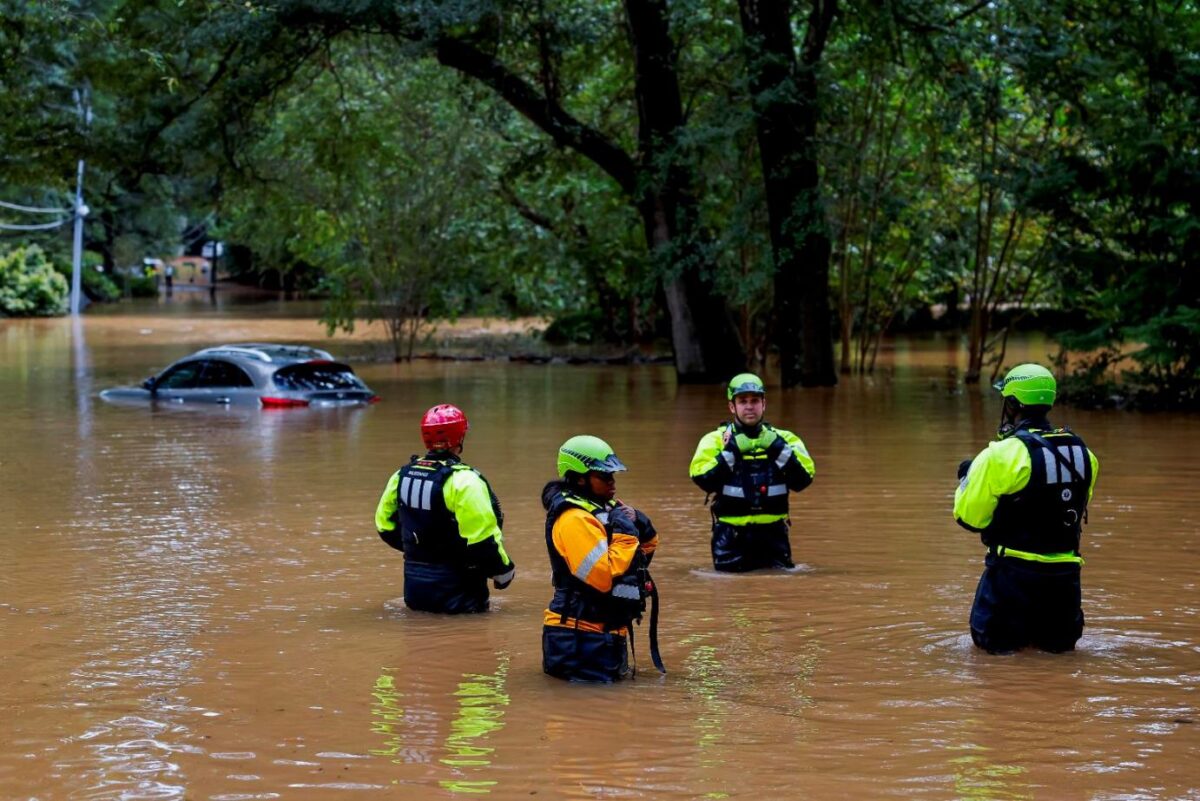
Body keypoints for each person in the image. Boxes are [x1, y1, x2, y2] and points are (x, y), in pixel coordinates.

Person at [954, 363, 1100, 653]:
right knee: (1058, 666)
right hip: (1064, 587)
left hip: (1011, 583)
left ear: (1011, 403)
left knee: (996, 670)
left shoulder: (999, 455)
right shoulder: (1086, 455)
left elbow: (969, 517)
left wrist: (967, 478)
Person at [374, 404, 515, 614]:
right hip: (459, 595)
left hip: (414, 590)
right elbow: (482, 541)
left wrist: (420, 551)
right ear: (460, 437)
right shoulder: (465, 481)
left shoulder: (401, 476)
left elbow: (384, 526)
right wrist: (504, 572)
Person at [541, 435, 660, 682]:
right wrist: (626, 533)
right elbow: (602, 577)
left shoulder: (605, 509)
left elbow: (642, 554)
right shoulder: (574, 518)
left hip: (605, 634)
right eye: (604, 476)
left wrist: (640, 521)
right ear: (580, 478)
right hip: (579, 640)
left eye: (613, 476)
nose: (612, 483)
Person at [688, 373, 815, 572]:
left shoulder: (786, 438)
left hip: (774, 536)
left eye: (755, 400)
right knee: (731, 596)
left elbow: (803, 480)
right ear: (732, 406)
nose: (749, 406)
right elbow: (703, 480)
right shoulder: (714, 440)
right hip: (730, 537)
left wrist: (777, 448)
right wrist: (732, 452)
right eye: (743, 401)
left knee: (779, 594)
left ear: (763, 404)